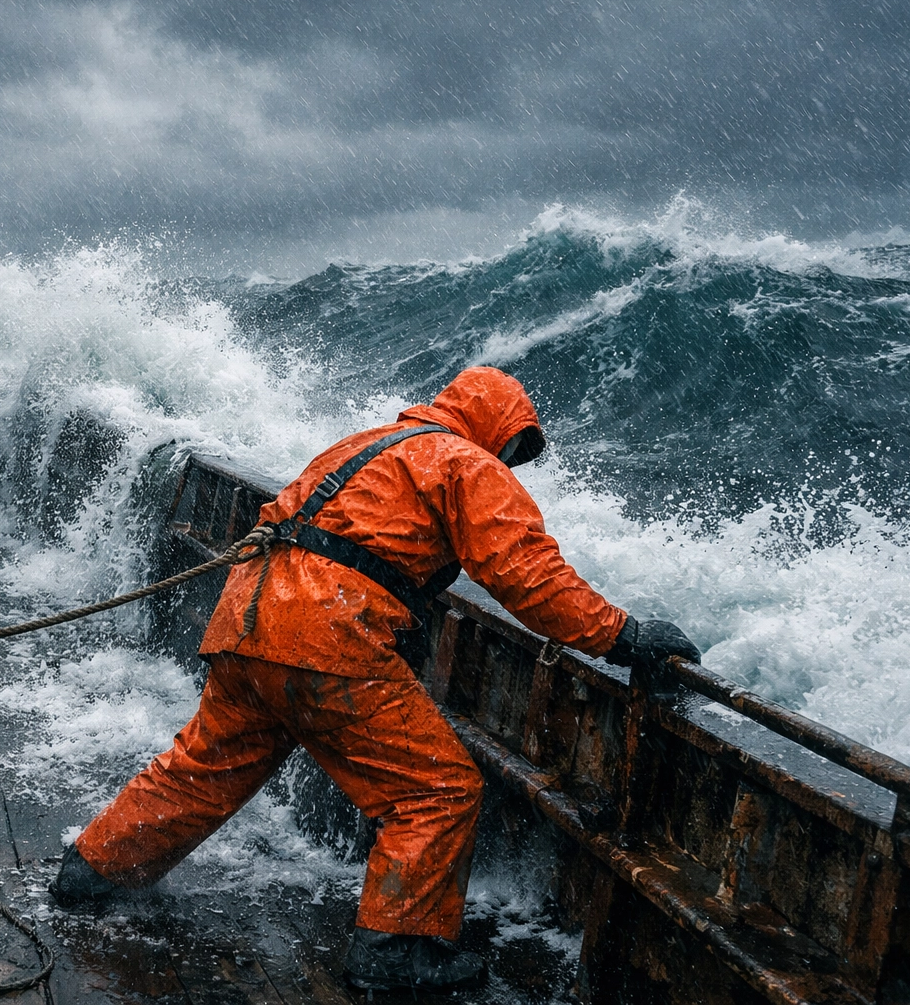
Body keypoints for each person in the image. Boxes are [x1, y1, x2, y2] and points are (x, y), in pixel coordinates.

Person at [49, 366, 700, 990]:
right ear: (492, 426)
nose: (510, 463)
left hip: (246, 620)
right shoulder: (465, 463)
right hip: (327, 635)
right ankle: (396, 950)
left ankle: (95, 869)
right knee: (437, 789)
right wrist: (624, 637)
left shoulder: (364, 446)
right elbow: (527, 577)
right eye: (513, 448)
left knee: (207, 766)